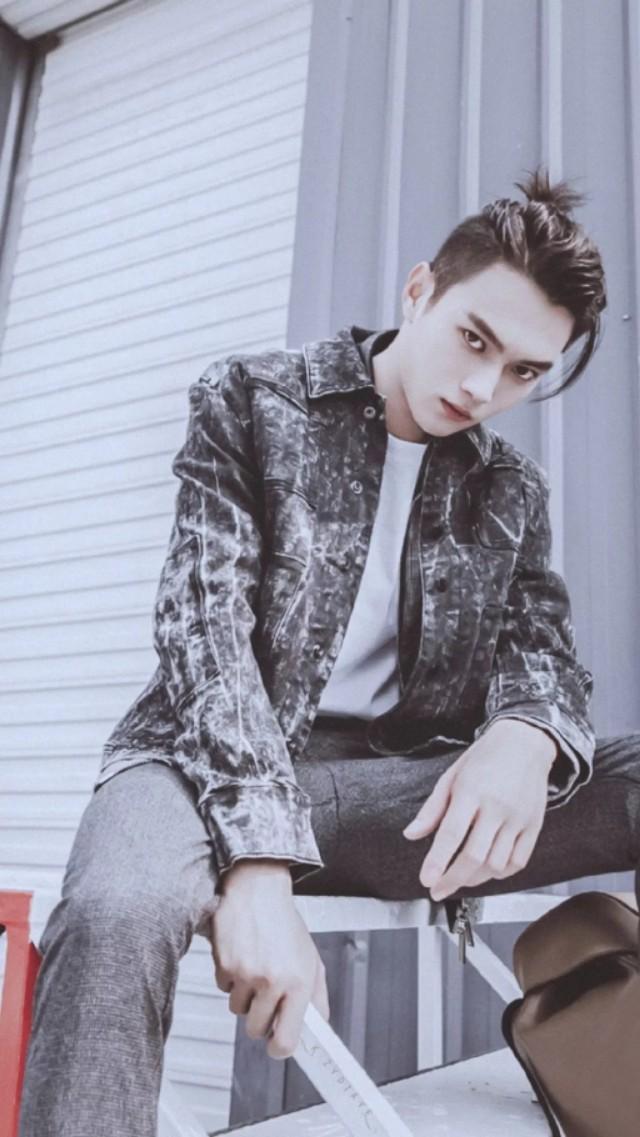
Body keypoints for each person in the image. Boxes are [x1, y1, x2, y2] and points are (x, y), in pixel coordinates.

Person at [19, 170, 640, 1137]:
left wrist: (527, 733)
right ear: (419, 290)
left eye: (525, 371)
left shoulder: (510, 487)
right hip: (193, 766)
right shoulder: (252, 398)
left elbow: (544, 648)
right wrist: (258, 863)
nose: (483, 388)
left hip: (393, 798)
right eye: (475, 339)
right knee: (115, 910)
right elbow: (203, 634)